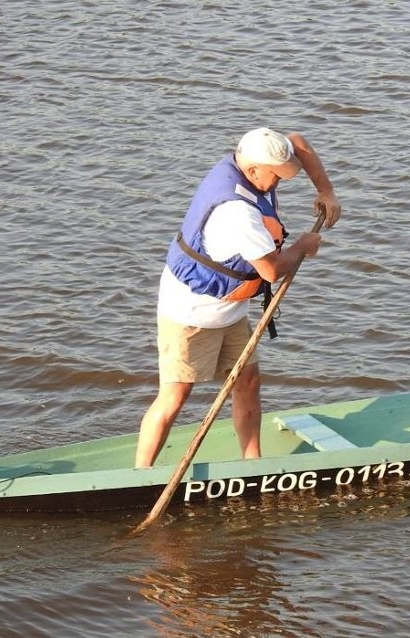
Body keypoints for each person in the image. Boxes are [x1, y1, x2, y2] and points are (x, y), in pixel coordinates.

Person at [135, 127, 341, 468]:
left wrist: (326, 192)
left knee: (248, 380)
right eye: (275, 176)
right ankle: (140, 475)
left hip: (230, 310)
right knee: (175, 395)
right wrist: (303, 246)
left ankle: (252, 463)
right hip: (192, 313)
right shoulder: (236, 213)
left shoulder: (254, 159)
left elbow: (299, 142)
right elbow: (272, 271)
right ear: (253, 169)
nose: (278, 184)